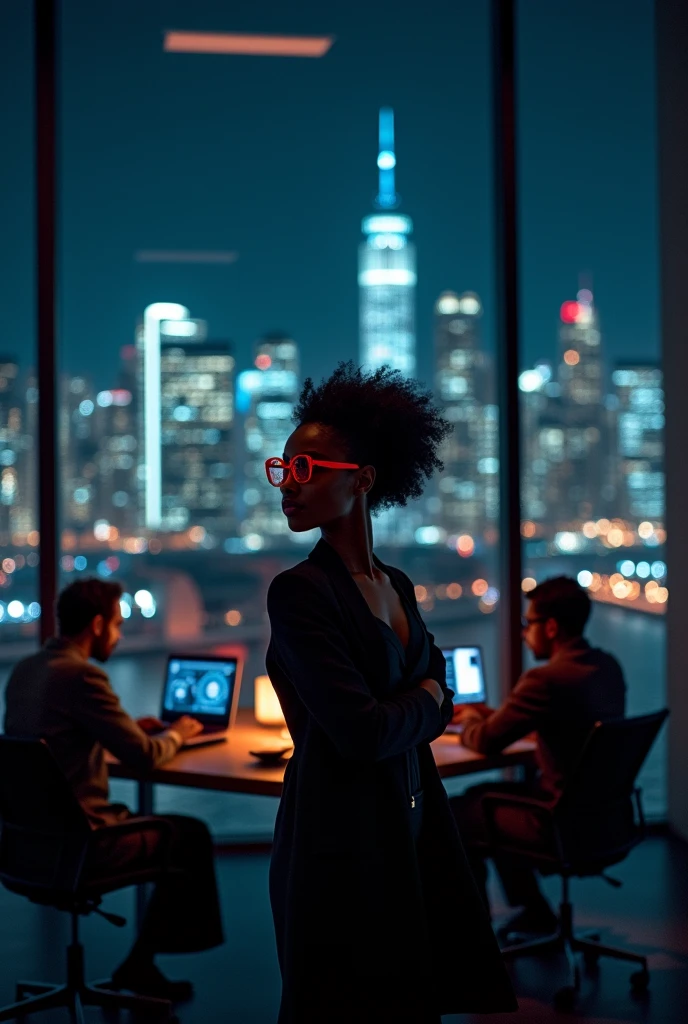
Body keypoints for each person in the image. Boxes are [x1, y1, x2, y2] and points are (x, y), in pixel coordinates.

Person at [265, 362, 517, 1024]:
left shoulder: (397, 583)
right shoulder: (298, 592)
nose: (288, 485)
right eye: (283, 468)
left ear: (364, 481)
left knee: (411, 998)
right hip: (335, 835)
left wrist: (424, 702)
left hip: (412, 819)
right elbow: (362, 731)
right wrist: (429, 700)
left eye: (307, 468)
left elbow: (427, 698)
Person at [3, 578, 224, 1001]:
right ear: (99, 624)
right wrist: (179, 732)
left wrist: (122, 729)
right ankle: (141, 966)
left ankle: (140, 965)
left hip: (26, 846)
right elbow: (145, 757)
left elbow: (53, 740)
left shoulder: (28, 669)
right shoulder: (81, 676)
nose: (121, 636)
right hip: (83, 846)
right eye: (119, 625)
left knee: (175, 831)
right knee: (189, 836)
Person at [449, 576, 626, 940]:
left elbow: (485, 742)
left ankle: (474, 939)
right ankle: (535, 912)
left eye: (528, 625)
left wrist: (469, 720)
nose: (524, 634)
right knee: (489, 796)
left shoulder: (545, 679)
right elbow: (568, 725)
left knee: (460, 812)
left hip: (558, 822)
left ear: (551, 627)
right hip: (607, 818)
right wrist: (493, 714)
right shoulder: (607, 667)